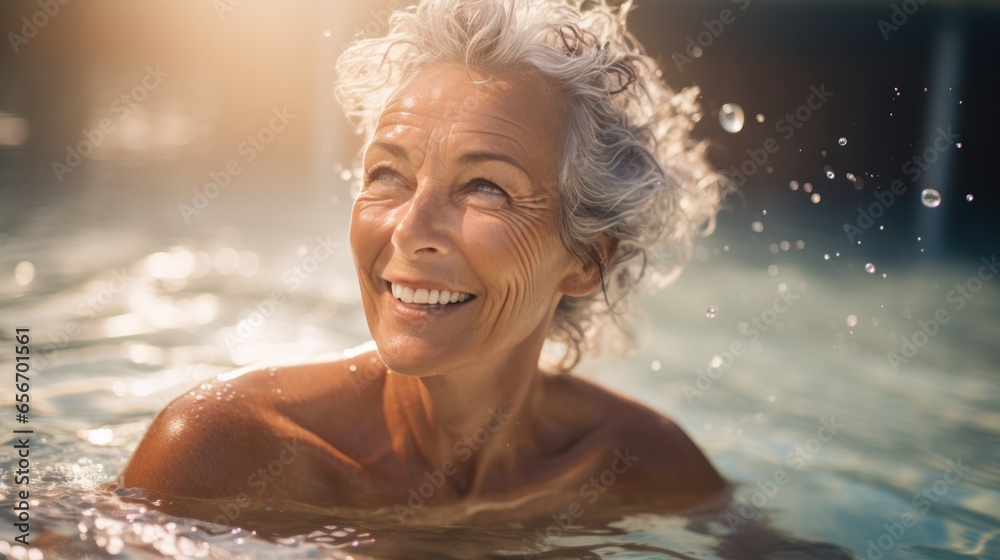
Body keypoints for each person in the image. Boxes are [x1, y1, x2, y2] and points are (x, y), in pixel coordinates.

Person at [120, 0, 728, 525]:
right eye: (388, 174)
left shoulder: (636, 465)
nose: (409, 232)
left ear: (587, 258)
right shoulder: (227, 454)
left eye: (485, 187)